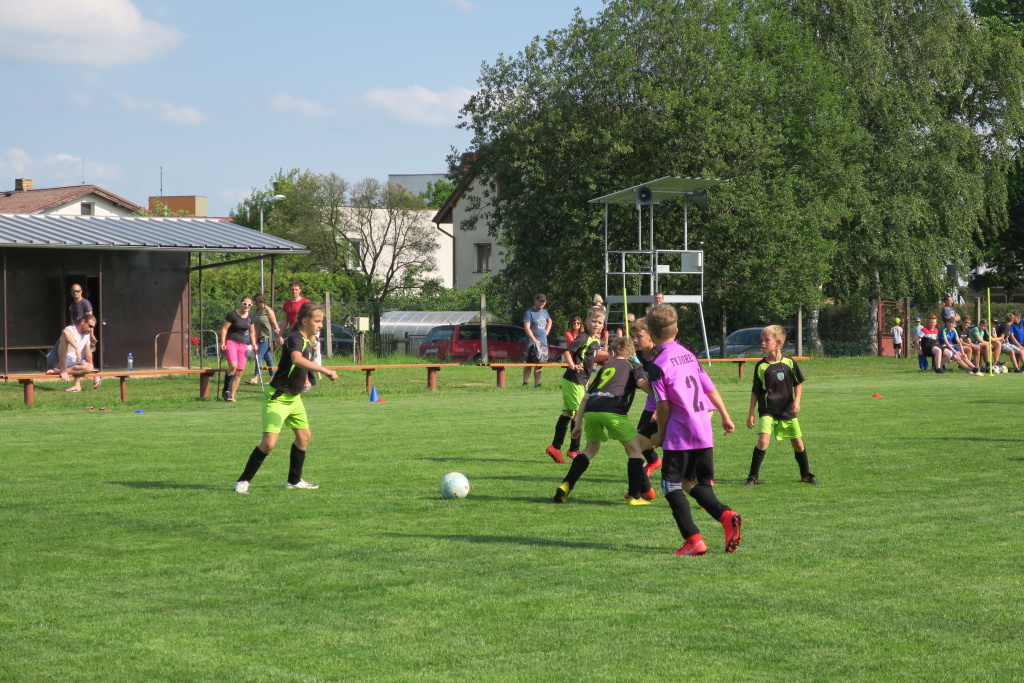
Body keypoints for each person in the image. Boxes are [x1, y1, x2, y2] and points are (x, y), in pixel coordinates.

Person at [646, 303, 742, 556]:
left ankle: (694, 540)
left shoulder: (657, 364)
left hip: (681, 432)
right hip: (703, 428)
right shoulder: (689, 355)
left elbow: (663, 405)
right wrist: (725, 415)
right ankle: (726, 517)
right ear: (676, 330)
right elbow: (709, 387)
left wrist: (660, 434)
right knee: (690, 482)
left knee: (670, 485)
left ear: (651, 334)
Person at [234, 302, 339, 494]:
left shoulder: (308, 340)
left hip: (294, 399)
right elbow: (296, 360)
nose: (320, 325)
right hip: (277, 397)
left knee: (304, 437)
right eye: (317, 321)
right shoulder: (295, 337)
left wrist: (305, 379)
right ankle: (243, 481)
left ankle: (294, 480)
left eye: (321, 321)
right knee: (269, 444)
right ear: (304, 320)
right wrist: (324, 370)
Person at [554, 337, 657, 505]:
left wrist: (578, 425)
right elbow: (641, 382)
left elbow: (585, 398)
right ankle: (634, 496)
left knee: (590, 449)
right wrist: (661, 398)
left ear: (613, 353)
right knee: (635, 451)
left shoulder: (606, 367)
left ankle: (566, 484)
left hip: (592, 410)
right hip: (613, 410)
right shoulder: (633, 365)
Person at [744, 325, 817, 486]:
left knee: (798, 443)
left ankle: (806, 475)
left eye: (766, 340)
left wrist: (797, 401)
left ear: (777, 343)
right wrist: (751, 413)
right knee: (763, 441)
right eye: (762, 340)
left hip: (786, 409)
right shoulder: (761, 366)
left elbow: (798, 384)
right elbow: (755, 391)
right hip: (767, 410)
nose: (763, 343)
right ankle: (752, 477)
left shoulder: (789, 362)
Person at [545, 307, 605, 463]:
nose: (596, 324)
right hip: (573, 379)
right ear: (587, 321)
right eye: (593, 321)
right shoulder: (583, 338)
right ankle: (573, 450)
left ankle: (555, 447)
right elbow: (567, 352)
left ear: (603, 325)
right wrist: (572, 365)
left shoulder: (596, 340)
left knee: (568, 413)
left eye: (600, 322)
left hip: (580, 380)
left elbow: (590, 358)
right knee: (579, 413)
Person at [629, 317, 662, 478]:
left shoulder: (661, 354)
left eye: (639, 336)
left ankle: (703, 480)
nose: (634, 340)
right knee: (636, 445)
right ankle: (653, 463)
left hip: (668, 406)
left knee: (679, 448)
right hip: (652, 405)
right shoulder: (638, 355)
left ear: (651, 335)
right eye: (632, 336)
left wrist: (661, 406)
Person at [45, 314, 98, 392]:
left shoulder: (86, 335)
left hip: (70, 363)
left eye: (93, 327)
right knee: (65, 338)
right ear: (83, 322)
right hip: (56, 361)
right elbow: (65, 332)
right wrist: (76, 348)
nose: (91, 329)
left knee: (89, 366)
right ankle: (63, 370)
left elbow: (88, 354)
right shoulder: (71, 329)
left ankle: (61, 374)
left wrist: (94, 374)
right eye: (90, 326)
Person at [220, 296, 259, 401]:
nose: (246, 306)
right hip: (231, 342)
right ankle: (226, 390)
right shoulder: (232, 315)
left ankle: (232, 396)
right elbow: (224, 329)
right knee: (233, 366)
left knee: (239, 371)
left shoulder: (250, 316)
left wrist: (254, 343)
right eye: (245, 304)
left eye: (249, 305)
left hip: (243, 345)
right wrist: (222, 343)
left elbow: (252, 332)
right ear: (241, 303)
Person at [282, 281, 316, 389]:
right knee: (291, 357)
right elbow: (285, 321)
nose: (294, 291)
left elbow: (311, 318)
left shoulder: (305, 302)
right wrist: (279, 335)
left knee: (305, 356)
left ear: (300, 290)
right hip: (292, 333)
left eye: (296, 289)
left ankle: (307, 380)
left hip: (304, 332)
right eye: (292, 289)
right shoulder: (287, 303)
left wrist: (312, 336)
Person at [246, 294, 283, 385]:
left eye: (256, 302)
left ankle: (256, 377)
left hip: (266, 337)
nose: (255, 304)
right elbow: (255, 323)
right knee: (267, 357)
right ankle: (273, 377)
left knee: (258, 356)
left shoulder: (268, 311)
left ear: (262, 302)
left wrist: (277, 330)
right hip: (259, 336)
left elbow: (275, 323)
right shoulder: (257, 311)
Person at [522, 294, 552, 388]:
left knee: (540, 363)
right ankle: (525, 383)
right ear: (535, 301)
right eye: (539, 301)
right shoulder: (529, 312)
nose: (541, 303)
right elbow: (527, 328)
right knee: (529, 363)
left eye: (543, 301)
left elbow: (550, 321)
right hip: (532, 343)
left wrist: (547, 330)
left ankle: (537, 384)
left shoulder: (545, 312)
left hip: (543, 342)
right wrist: (534, 340)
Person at [68, 283, 98, 349]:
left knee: (86, 353)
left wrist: (91, 335)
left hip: (84, 333)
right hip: (76, 333)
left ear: (81, 291)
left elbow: (90, 321)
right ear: (71, 293)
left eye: (77, 291)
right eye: (73, 291)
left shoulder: (85, 303)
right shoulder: (72, 305)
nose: (75, 293)